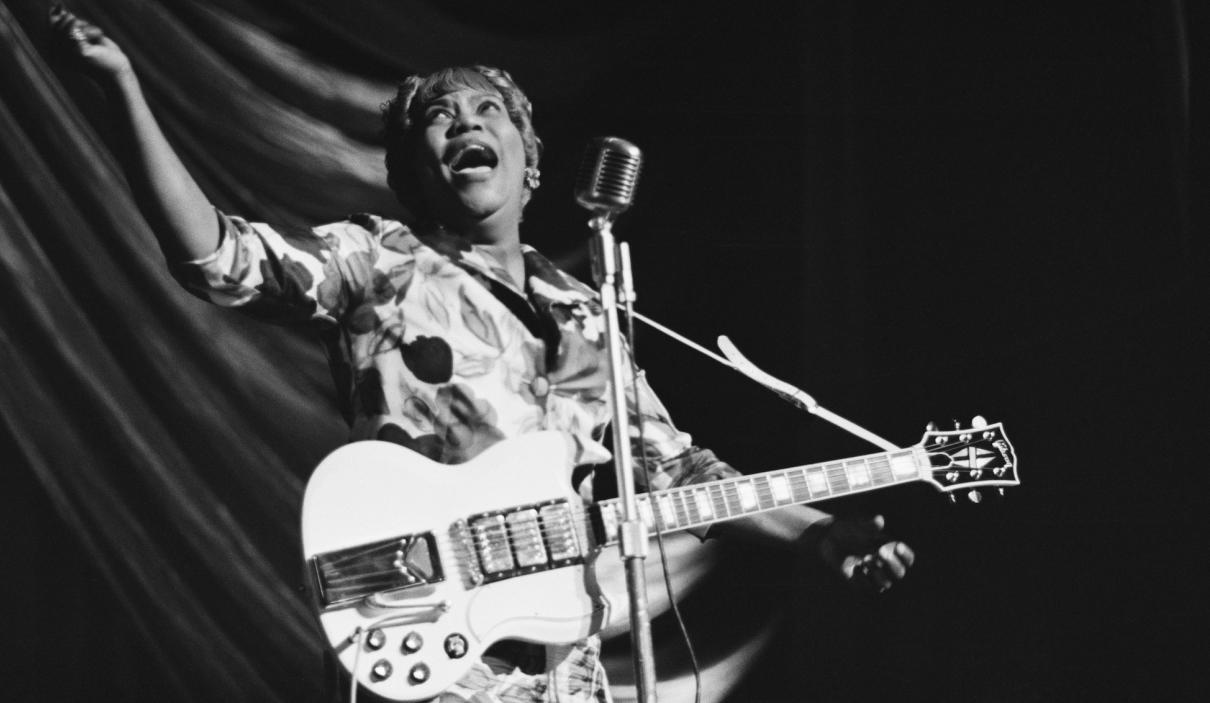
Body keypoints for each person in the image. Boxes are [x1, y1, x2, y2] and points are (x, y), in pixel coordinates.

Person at [50, 5, 915, 702]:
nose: (464, 121)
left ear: (528, 163)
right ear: (412, 169)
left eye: (486, 110)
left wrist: (818, 533)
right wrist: (123, 92)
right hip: (434, 638)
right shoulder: (380, 260)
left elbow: (677, 474)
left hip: (565, 658)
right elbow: (223, 262)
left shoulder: (587, 310)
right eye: (439, 116)